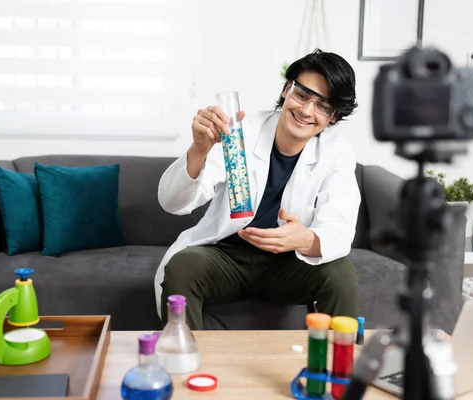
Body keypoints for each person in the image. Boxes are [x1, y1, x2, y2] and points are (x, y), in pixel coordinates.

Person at [154, 49, 361, 329]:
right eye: (302, 95)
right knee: (183, 266)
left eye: (323, 106)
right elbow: (172, 202)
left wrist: (303, 239)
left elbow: (339, 230)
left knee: (339, 272)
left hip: (287, 265)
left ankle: (343, 368)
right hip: (226, 257)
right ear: (288, 89)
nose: (307, 111)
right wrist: (199, 149)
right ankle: (185, 365)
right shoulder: (240, 132)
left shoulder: (336, 154)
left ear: (333, 117)